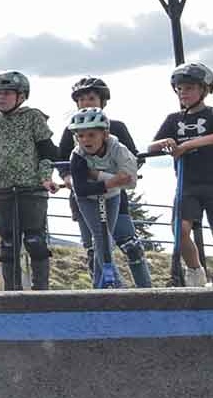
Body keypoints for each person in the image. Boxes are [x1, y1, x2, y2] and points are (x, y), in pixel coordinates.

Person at [147, 62, 213, 287]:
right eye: (179, 89)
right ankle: (195, 270)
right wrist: (165, 142)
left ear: (204, 89)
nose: (183, 93)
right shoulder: (173, 119)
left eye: (188, 88)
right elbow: (151, 147)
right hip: (187, 183)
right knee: (180, 229)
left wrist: (186, 145)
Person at [0, 71, 61, 291]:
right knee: (8, 245)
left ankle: (42, 291)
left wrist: (46, 178)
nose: (1, 98)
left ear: (21, 96)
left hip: (31, 189)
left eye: (6, 93)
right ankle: (12, 292)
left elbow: (48, 152)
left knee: (35, 241)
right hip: (3, 191)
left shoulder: (33, 117)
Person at [64, 108, 150, 287]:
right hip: (87, 200)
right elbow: (80, 189)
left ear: (104, 134)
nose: (85, 140)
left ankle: (98, 285)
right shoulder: (77, 155)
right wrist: (111, 180)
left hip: (112, 196)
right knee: (101, 238)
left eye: (91, 135)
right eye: (80, 136)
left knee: (104, 239)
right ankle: (116, 284)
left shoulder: (119, 150)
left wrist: (97, 175)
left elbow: (130, 181)